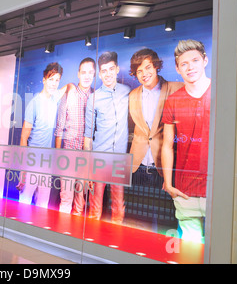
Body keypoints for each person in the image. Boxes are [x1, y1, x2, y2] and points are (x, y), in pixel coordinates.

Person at [161, 39, 211, 243]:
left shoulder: (224, 93)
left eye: (195, 60)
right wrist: (167, 182)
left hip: (217, 188)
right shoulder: (173, 100)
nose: (190, 67)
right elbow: (167, 145)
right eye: (184, 64)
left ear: (205, 61)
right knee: (191, 249)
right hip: (184, 191)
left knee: (223, 249)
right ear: (177, 68)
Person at [128, 48, 184, 228]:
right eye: (139, 71)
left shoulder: (176, 88)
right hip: (137, 166)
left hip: (162, 167)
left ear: (157, 66)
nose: (144, 74)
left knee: (164, 221)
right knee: (136, 218)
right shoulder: (133, 94)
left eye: (148, 67)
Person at [84, 52, 130, 223]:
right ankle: (90, 242)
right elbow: (87, 135)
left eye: (111, 69)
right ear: (100, 73)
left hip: (119, 158)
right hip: (99, 158)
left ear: (117, 69)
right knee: (95, 206)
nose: (108, 74)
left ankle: (115, 242)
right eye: (104, 70)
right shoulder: (93, 98)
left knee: (119, 206)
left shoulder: (127, 92)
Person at [17, 62, 69, 208]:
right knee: (26, 198)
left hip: (47, 160)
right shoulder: (34, 103)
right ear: (44, 80)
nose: (54, 83)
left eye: (57, 80)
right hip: (33, 159)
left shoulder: (54, 98)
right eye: (51, 79)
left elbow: (68, 86)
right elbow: (23, 138)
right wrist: (23, 169)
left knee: (43, 201)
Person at [54, 57, 95, 214]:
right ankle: (61, 235)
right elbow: (59, 126)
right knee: (66, 198)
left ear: (94, 74)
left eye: (90, 72)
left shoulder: (95, 97)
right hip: (69, 153)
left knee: (81, 200)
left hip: (86, 157)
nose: (86, 76)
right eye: (83, 72)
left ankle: (75, 235)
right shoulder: (69, 92)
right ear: (78, 73)